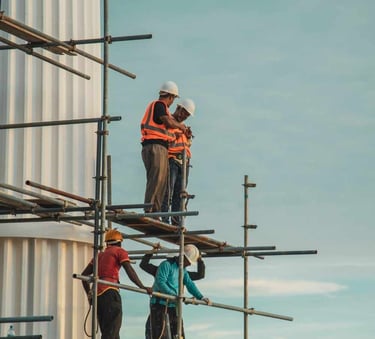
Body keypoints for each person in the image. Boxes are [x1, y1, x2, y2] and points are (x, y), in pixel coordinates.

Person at [81, 229, 152, 339]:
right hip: (110, 292)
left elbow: (84, 276)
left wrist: (89, 295)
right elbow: (129, 270)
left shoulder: (99, 255)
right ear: (119, 242)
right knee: (112, 330)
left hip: (98, 295)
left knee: (109, 331)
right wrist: (142, 286)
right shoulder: (119, 251)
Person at [141, 81, 188, 214]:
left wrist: (180, 132)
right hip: (155, 146)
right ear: (171, 97)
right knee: (156, 179)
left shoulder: (160, 108)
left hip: (157, 146)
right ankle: (149, 210)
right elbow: (168, 121)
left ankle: (155, 211)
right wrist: (180, 126)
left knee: (160, 181)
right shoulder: (159, 105)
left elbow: (167, 129)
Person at [140, 248, 206, 339]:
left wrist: (201, 297)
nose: (189, 264)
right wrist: (173, 295)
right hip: (160, 305)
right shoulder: (166, 265)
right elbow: (160, 282)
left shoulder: (183, 270)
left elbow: (190, 284)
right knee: (160, 334)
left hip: (174, 306)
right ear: (183, 257)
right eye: (189, 262)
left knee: (178, 334)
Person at [161, 98, 195, 225]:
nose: (183, 117)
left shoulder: (182, 127)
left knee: (179, 194)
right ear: (178, 108)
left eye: (186, 116)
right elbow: (166, 139)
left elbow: (186, 144)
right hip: (172, 160)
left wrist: (188, 137)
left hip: (184, 163)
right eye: (183, 113)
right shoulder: (168, 121)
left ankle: (176, 222)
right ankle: (164, 219)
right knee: (168, 192)